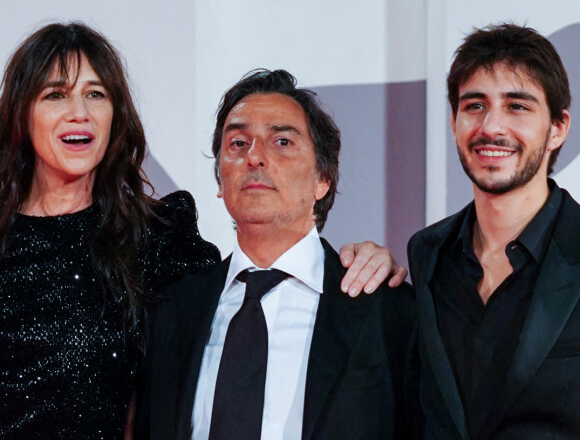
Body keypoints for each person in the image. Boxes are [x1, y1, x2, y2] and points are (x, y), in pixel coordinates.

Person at [0, 23, 402, 439]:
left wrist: (369, 260)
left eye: (95, 94)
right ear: (20, 113)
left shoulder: (156, 241)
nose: (78, 112)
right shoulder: (189, 299)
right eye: (55, 94)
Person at [135, 69, 418, 440]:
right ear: (220, 180)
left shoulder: (388, 311)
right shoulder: (170, 312)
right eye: (238, 143)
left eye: (282, 141)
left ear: (323, 179)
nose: (255, 157)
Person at [408, 23, 579, 439]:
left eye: (517, 106)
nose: (492, 127)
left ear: (558, 128)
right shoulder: (426, 253)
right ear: (453, 122)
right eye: (475, 106)